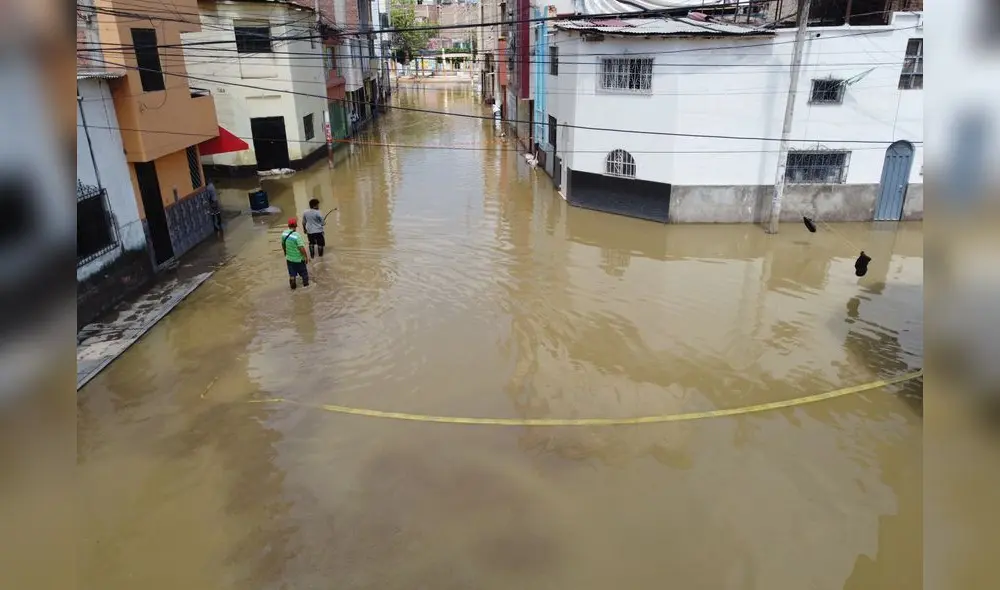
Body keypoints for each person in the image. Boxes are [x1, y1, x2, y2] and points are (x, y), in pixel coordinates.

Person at [281, 218, 309, 289]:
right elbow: (301, 247)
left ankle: (293, 286)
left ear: (288, 225)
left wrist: (285, 253)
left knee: (292, 274)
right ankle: (306, 287)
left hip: (289, 259)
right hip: (299, 259)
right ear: (296, 225)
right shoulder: (297, 235)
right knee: (304, 273)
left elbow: (283, 244)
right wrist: (306, 257)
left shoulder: (284, 233)